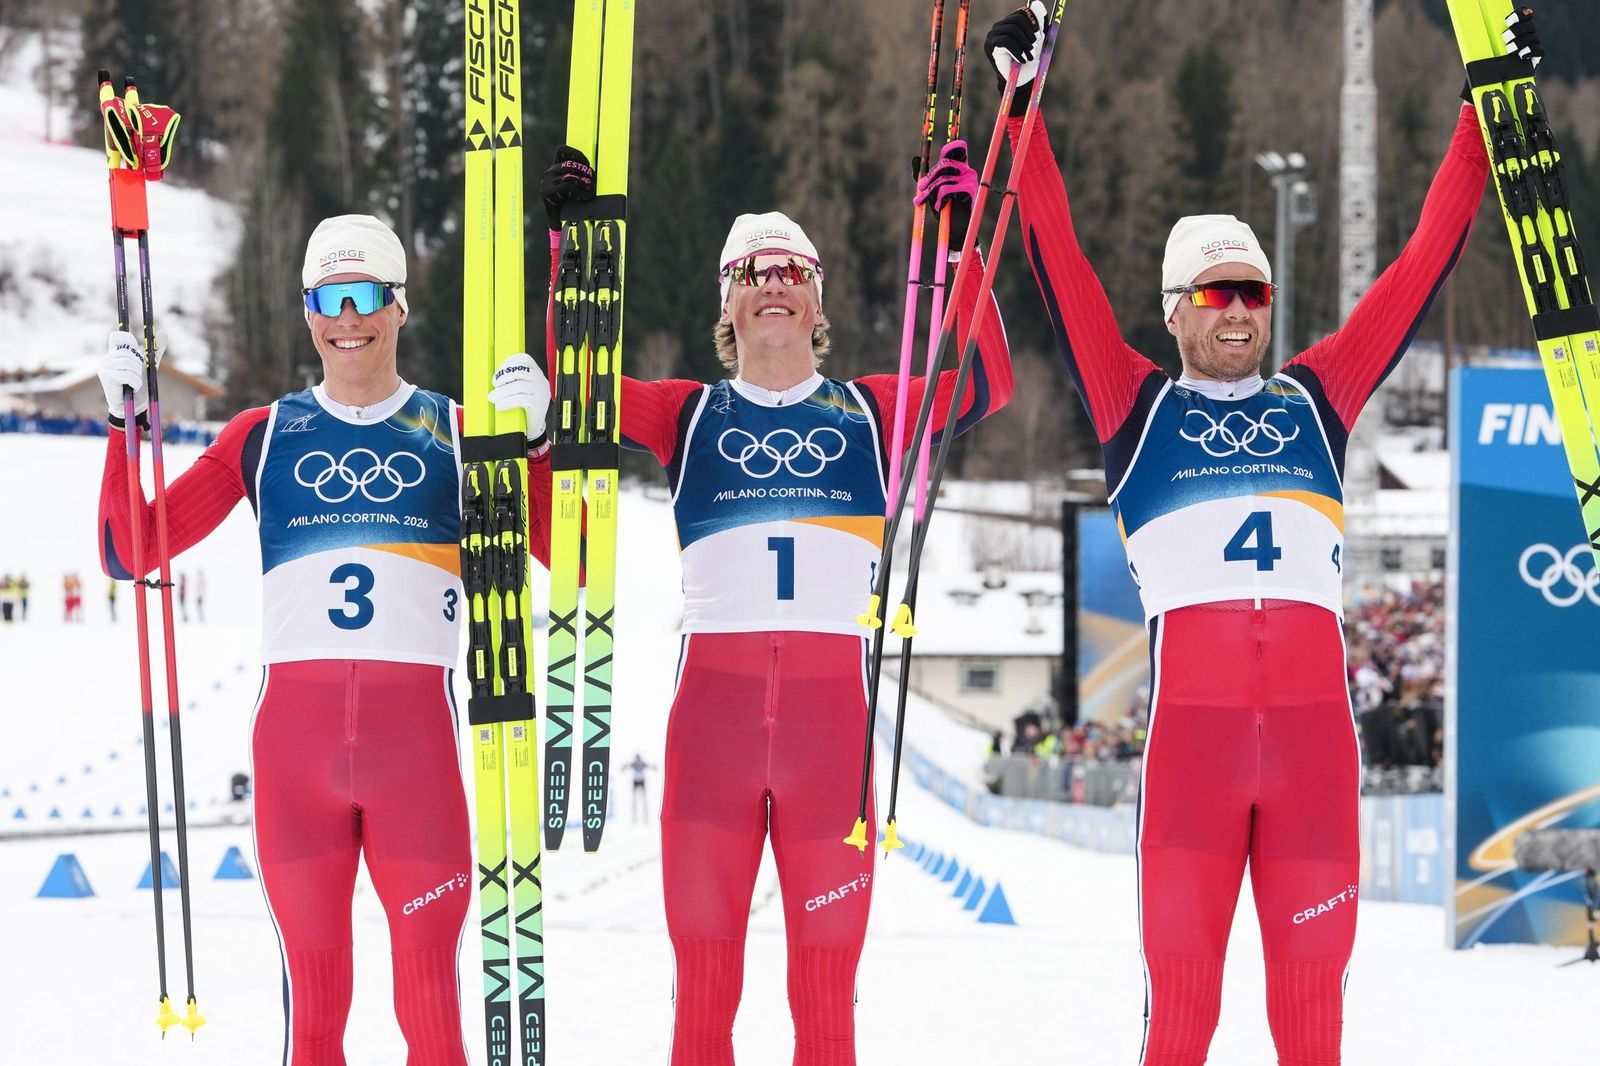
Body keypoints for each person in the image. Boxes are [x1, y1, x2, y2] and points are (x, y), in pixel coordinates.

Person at [985, 4, 1509, 1061]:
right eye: (1215, 293)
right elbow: (1057, 254)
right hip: (1191, 766)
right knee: (1180, 1024)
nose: (1238, 311)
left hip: (1316, 762)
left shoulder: (1317, 397)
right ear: (1173, 309)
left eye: (1254, 292)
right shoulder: (1134, 407)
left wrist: (1480, 112)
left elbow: (1416, 267)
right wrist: (1021, 103)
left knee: (1312, 1028)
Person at [517, 142, 1014, 1065]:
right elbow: (579, 390)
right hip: (713, 735)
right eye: (751, 273)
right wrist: (571, 250)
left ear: (820, 305)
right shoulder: (688, 413)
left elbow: (985, 380)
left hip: (833, 745)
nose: (772, 284)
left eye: (792, 271)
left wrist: (958, 247)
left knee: (825, 1006)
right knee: (705, 1002)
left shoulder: (871, 411)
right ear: (727, 306)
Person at [97, 214, 542, 1066]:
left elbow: (565, 551)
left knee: (433, 1017)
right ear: (306, 311)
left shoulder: (458, 430)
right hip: (294, 761)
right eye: (327, 298)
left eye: (366, 295)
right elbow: (132, 547)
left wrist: (538, 445)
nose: (347, 318)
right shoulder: (262, 436)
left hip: (418, 756)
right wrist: (125, 427)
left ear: (400, 305)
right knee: (315, 1023)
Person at [627, 752, 656, 824]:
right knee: (634, 800)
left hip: (641, 781)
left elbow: (650, 766)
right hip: (636, 782)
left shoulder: (642, 763)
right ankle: (634, 818)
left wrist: (654, 767)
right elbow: (627, 766)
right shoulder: (634, 763)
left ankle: (645, 818)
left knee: (644, 800)